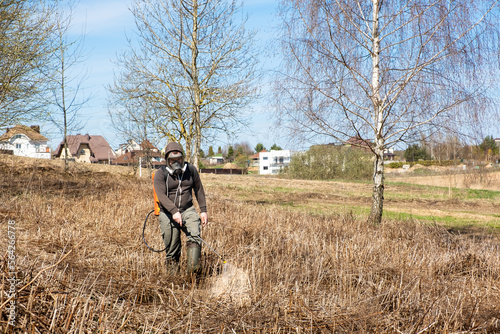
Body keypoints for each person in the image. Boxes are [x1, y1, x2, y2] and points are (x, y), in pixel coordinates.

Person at [154, 142, 208, 275]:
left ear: (182, 158)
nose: (176, 162)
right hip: (167, 212)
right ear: (167, 160)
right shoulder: (160, 174)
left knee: (195, 235)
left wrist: (203, 210)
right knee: (172, 245)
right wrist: (174, 211)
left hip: (188, 209)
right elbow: (161, 195)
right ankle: (173, 276)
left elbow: (199, 189)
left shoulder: (191, 170)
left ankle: (192, 273)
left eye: (178, 159)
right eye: (172, 160)